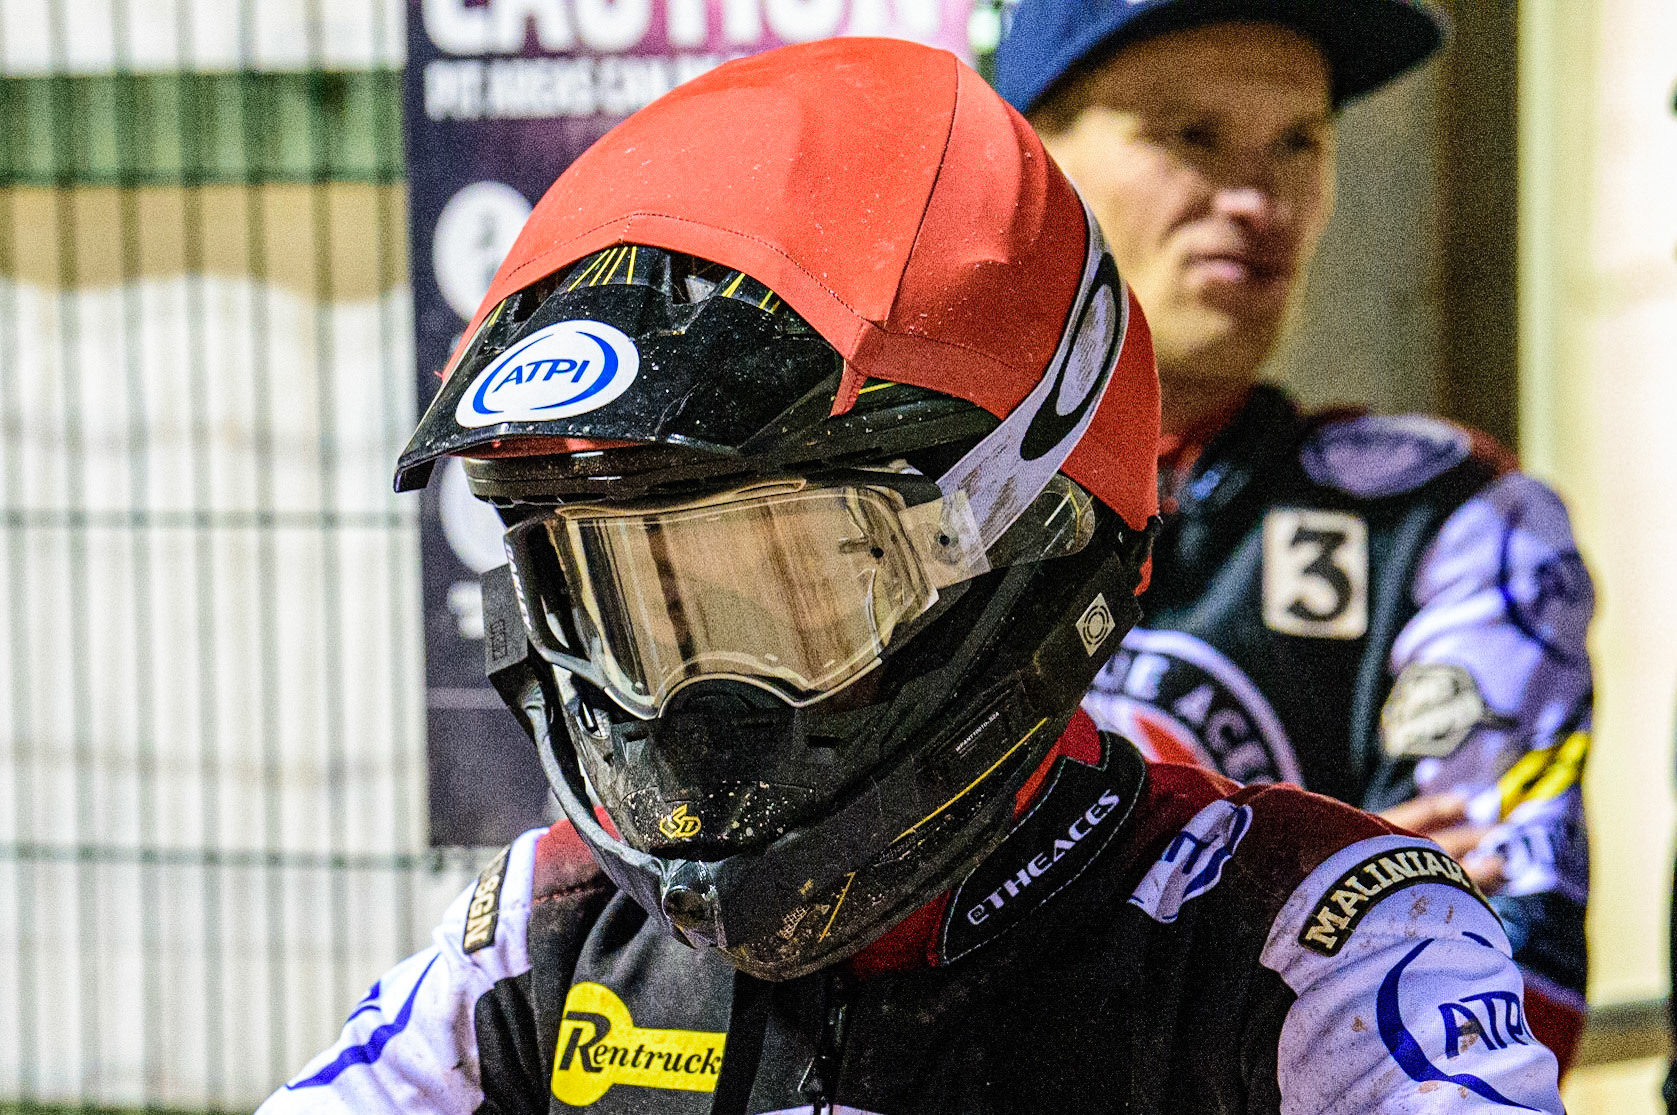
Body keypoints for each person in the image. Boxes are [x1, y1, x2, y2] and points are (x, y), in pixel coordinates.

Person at [258, 38, 1564, 1114]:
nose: (697, 702)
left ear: (1013, 536)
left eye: (796, 574)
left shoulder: (1296, 943)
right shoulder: (544, 939)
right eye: (626, 597)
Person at [997, 0, 1594, 1072]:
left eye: (1300, 140)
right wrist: (1310, 905)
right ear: (1034, 163)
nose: (1255, 198)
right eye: (1192, 135)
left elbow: (1493, 999)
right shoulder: (879, 504)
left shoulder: (1451, 517)